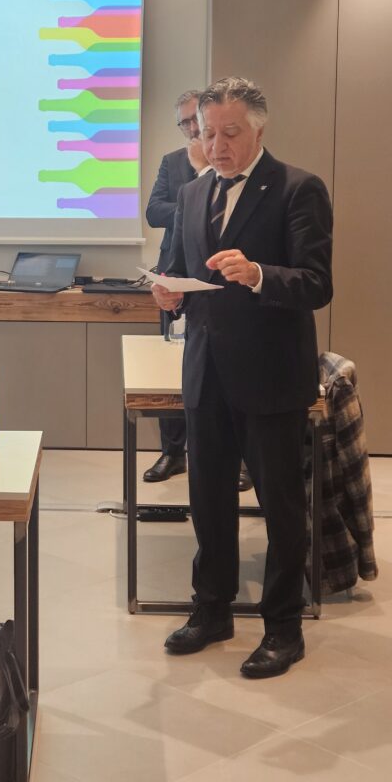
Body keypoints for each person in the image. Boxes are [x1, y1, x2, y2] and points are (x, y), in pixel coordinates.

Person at [152, 77, 332, 679]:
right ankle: (212, 611)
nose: (217, 146)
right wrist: (168, 294)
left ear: (258, 128)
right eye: (207, 133)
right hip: (206, 372)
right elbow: (178, 270)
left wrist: (258, 274)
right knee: (207, 500)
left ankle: (283, 626)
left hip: (272, 375)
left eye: (230, 133)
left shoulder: (298, 189)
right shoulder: (192, 193)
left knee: (280, 505)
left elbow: (316, 283)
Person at [143, 90, 209, 483]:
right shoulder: (172, 161)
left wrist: (194, 193)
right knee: (170, 366)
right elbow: (154, 212)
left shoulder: (229, 162)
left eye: (194, 118)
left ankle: (238, 456)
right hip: (174, 272)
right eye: (184, 122)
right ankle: (172, 452)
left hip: (216, 276)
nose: (191, 128)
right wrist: (193, 199)